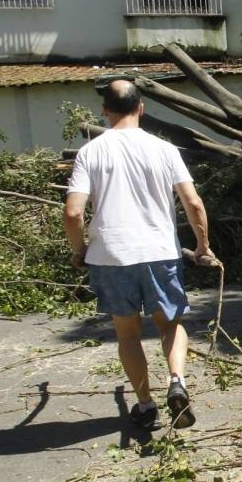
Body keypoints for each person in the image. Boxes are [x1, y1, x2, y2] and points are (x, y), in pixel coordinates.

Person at [64, 79, 214, 431]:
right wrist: (203, 247)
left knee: (128, 335)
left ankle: (146, 407)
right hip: (159, 251)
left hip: (111, 256)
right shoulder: (164, 149)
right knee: (170, 324)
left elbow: (72, 213)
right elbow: (193, 202)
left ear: (104, 111)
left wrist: (80, 251)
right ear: (141, 108)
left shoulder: (91, 152)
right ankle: (177, 381)